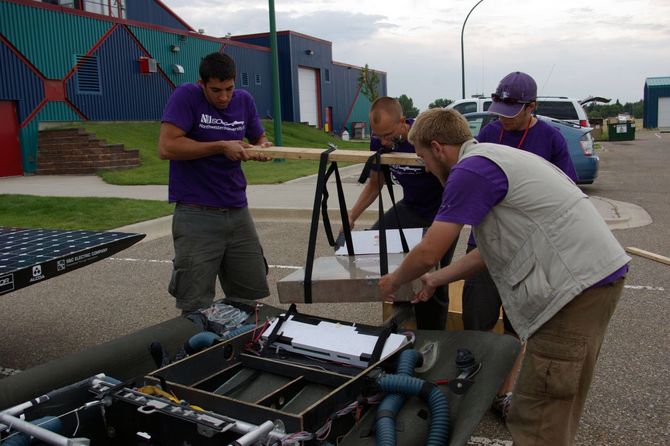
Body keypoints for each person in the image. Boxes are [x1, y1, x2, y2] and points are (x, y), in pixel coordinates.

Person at [378, 108, 629, 445]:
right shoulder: (489, 158)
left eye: (422, 156)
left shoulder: (469, 171)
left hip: (576, 287)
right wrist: (437, 280)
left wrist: (393, 281)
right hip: (587, 281)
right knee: (547, 401)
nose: (423, 165)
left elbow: (429, 251)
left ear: (438, 148)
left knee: (542, 408)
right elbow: (487, 251)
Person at [462, 71, 579, 413]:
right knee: (477, 318)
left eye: (510, 113)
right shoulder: (488, 133)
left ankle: (503, 394)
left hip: (527, 246)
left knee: (517, 323)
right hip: (485, 239)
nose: (503, 118)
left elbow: (566, 191)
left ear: (532, 107)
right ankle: (474, 387)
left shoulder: (551, 139)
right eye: (498, 109)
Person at [158, 52, 272, 314]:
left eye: (229, 88)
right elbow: (167, 146)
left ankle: (244, 349)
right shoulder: (186, 96)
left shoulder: (244, 101)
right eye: (216, 90)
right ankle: (198, 349)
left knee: (249, 298)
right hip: (196, 212)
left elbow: (259, 137)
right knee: (195, 302)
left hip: (237, 209)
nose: (223, 97)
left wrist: (262, 148)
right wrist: (221, 146)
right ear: (202, 83)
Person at [346, 96, 455, 329]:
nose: (384, 142)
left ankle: (433, 337)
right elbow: (376, 183)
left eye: (388, 135)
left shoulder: (425, 136)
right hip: (410, 207)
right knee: (370, 247)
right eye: (378, 136)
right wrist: (352, 215)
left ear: (403, 122)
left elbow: (452, 180)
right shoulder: (379, 143)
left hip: (441, 212)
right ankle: (401, 308)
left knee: (432, 278)